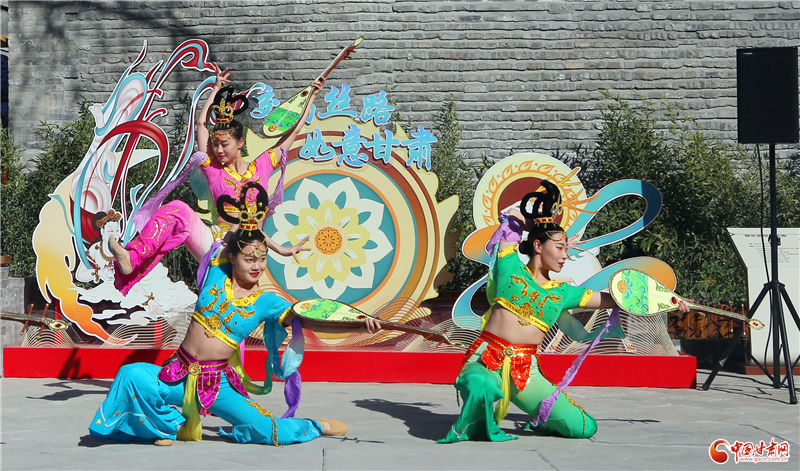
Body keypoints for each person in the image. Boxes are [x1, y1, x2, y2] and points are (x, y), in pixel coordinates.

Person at [90, 182, 380, 446]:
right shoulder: (216, 273)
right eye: (249, 259)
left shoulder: (266, 302)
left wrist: (357, 327)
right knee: (131, 375)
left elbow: (308, 320)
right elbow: (230, 234)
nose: (257, 266)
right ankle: (167, 427)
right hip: (177, 375)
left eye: (262, 259)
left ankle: (314, 426)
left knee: (269, 431)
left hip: (217, 385)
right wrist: (247, 220)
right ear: (232, 257)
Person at [439, 180, 689, 443]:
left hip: (526, 371)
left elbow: (617, 300)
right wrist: (534, 221)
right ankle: (477, 422)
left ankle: (539, 420)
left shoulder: (563, 293)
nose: (564, 255)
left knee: (583, 427)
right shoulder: (509, 267)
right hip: (486, 359)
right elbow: (512, 220)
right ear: (538, 246)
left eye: (566, 249)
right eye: (559, 247)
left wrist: (668, 301)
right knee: (480, 385)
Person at [110, 64, 323, 296]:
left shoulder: (262, 165)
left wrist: (311, 97)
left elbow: (292, 132)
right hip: (216, 244)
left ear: (240, 143)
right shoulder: (212, 168)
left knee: (242, 231)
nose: (219, 150)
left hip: (248, 246)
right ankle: (131, 257)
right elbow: (201, 124)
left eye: (225, 144)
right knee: (178, 208)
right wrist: (215, 88)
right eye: (215, 144)